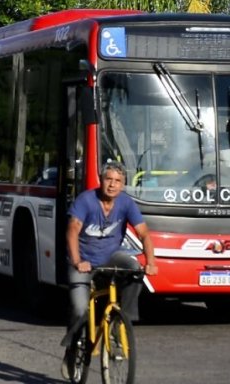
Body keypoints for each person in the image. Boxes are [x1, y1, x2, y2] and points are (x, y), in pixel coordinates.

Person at [61, 160, 157, 378]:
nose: (112, 185)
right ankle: (73, 347)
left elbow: (144, 234)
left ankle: (123, 320)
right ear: (101, 180)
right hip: (83, 260)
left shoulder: (126, 203)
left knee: (134, 269)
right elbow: (72, 231)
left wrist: (151, 261)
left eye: (117, 181)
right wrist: (77, 262)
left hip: (110, 257)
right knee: (79, 308)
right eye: (108, 179)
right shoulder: (86, 200)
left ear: (123, 184)